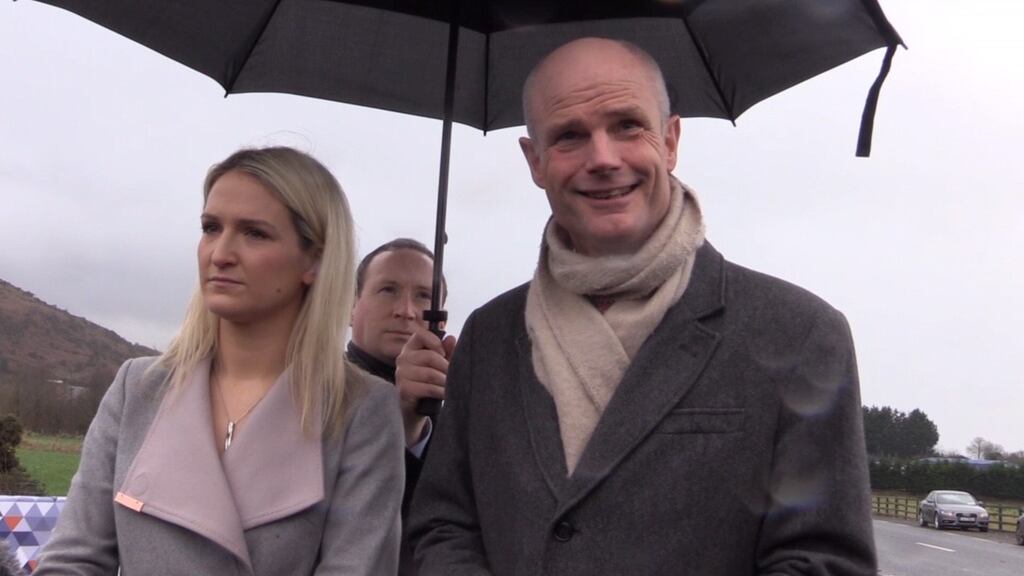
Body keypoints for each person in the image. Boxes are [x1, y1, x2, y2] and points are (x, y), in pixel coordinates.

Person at [409, 38, 876, 575]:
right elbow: (442, 525)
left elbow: (823, 561)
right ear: (534, 161)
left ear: (671, 140)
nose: (603, 158)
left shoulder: (799, 335)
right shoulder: (489, 336)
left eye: (627, 126)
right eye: (569, 136)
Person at [36, 147, 404, 575]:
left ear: (315, 261)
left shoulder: (360, 411)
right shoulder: (138, 387)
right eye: (211, 228)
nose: (221, 253)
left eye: (255, 233)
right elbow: (72, 561)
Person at [347, 238, 455, 576]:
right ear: (351, 307)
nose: (406, 310)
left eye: (423, 296)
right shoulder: (308, 393)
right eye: (388, 290)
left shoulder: (462, 423)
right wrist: (401, 424)